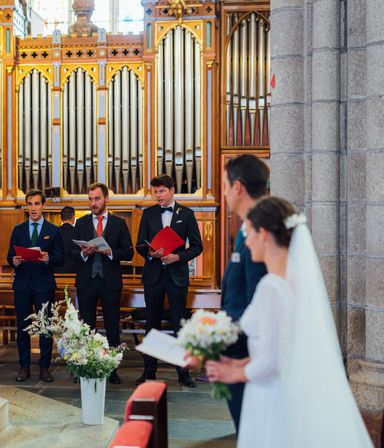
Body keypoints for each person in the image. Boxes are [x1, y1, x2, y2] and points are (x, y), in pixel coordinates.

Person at [205, 197, 373, 447]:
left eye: (249, 232)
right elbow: (284, 347)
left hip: (271, 394)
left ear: (263, 234)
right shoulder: (293, 279)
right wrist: (242, 360)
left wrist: (234, 372)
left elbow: (271, 362)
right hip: (284, 389)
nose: (247, 242)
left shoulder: (272, 287)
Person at [189, 155, 268, 429]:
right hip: (236, 349)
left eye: (224, 185)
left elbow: (256, 304)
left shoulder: (260, 235)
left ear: (238, 187)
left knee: (249, 429)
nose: (221, 192)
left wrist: (213, 344)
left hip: (243, 352)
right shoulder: (247, 231)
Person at [135, 174, 203, 387]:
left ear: (173, 190)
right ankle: (149, 372)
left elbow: (197, 246)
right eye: (155, 191)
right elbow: (139, 244)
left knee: (179, 325)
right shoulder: (148, 214)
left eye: (162, 191)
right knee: (151, 324)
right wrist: (150, 253)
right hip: (153, 275)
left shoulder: (187, 214)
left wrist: (177, 256)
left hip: (177, 276)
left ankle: (183, 373)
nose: (158, 195)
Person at [70, 183, 133, 384]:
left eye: (97, 199)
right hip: (87, 281)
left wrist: (112, 252)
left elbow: (129, 252)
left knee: (112, 326)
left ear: (106, 199)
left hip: (110, 282)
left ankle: (112, 369)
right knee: (86, 326)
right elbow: (71, 253)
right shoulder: (80, 224)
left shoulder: (119, 223)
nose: (93, 203)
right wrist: (83, 253)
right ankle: (86, 366)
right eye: (90, 199)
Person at [7, 189, 64, 382]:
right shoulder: (18, 230)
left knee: (44, 326)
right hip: (22, 284)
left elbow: (61, 258)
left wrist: (49, 259)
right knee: (23, 327)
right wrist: (13, 261)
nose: (33, 208)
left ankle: (44, 367)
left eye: (37, 204)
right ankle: (24, 366)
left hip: (43, 284)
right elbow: (9, 256)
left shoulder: (53, 230)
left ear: (43, 206)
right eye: (30, 204)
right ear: (26, 206)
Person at [54, 206, 77, 274]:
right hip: (73, 271)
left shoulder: (54, 232)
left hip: (56, 271)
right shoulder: (77, 232)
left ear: (61, 218)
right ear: (73, 217)